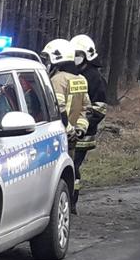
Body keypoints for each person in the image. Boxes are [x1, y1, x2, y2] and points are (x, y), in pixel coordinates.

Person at [44, 38, 90, 212]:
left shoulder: (57, 80)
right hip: (72, 138)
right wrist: (80, 129)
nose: (47, 63)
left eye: (48, 59)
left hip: (59, 135)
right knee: (70, 171)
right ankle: (70, 204)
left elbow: (59, 108)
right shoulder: (81, 79)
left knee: (54, 175)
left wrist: (68, 129)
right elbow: (87, 108)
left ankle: (58, 208)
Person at [69, 34, 111, 174]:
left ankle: (73, 194)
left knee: (73, 170)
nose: (74, 58)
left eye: (78, 54)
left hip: (82, 136)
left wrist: (80, 124)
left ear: (87, 56)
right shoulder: (73, 75)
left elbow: (99, 109)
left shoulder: (95, 78)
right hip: (69, 134)